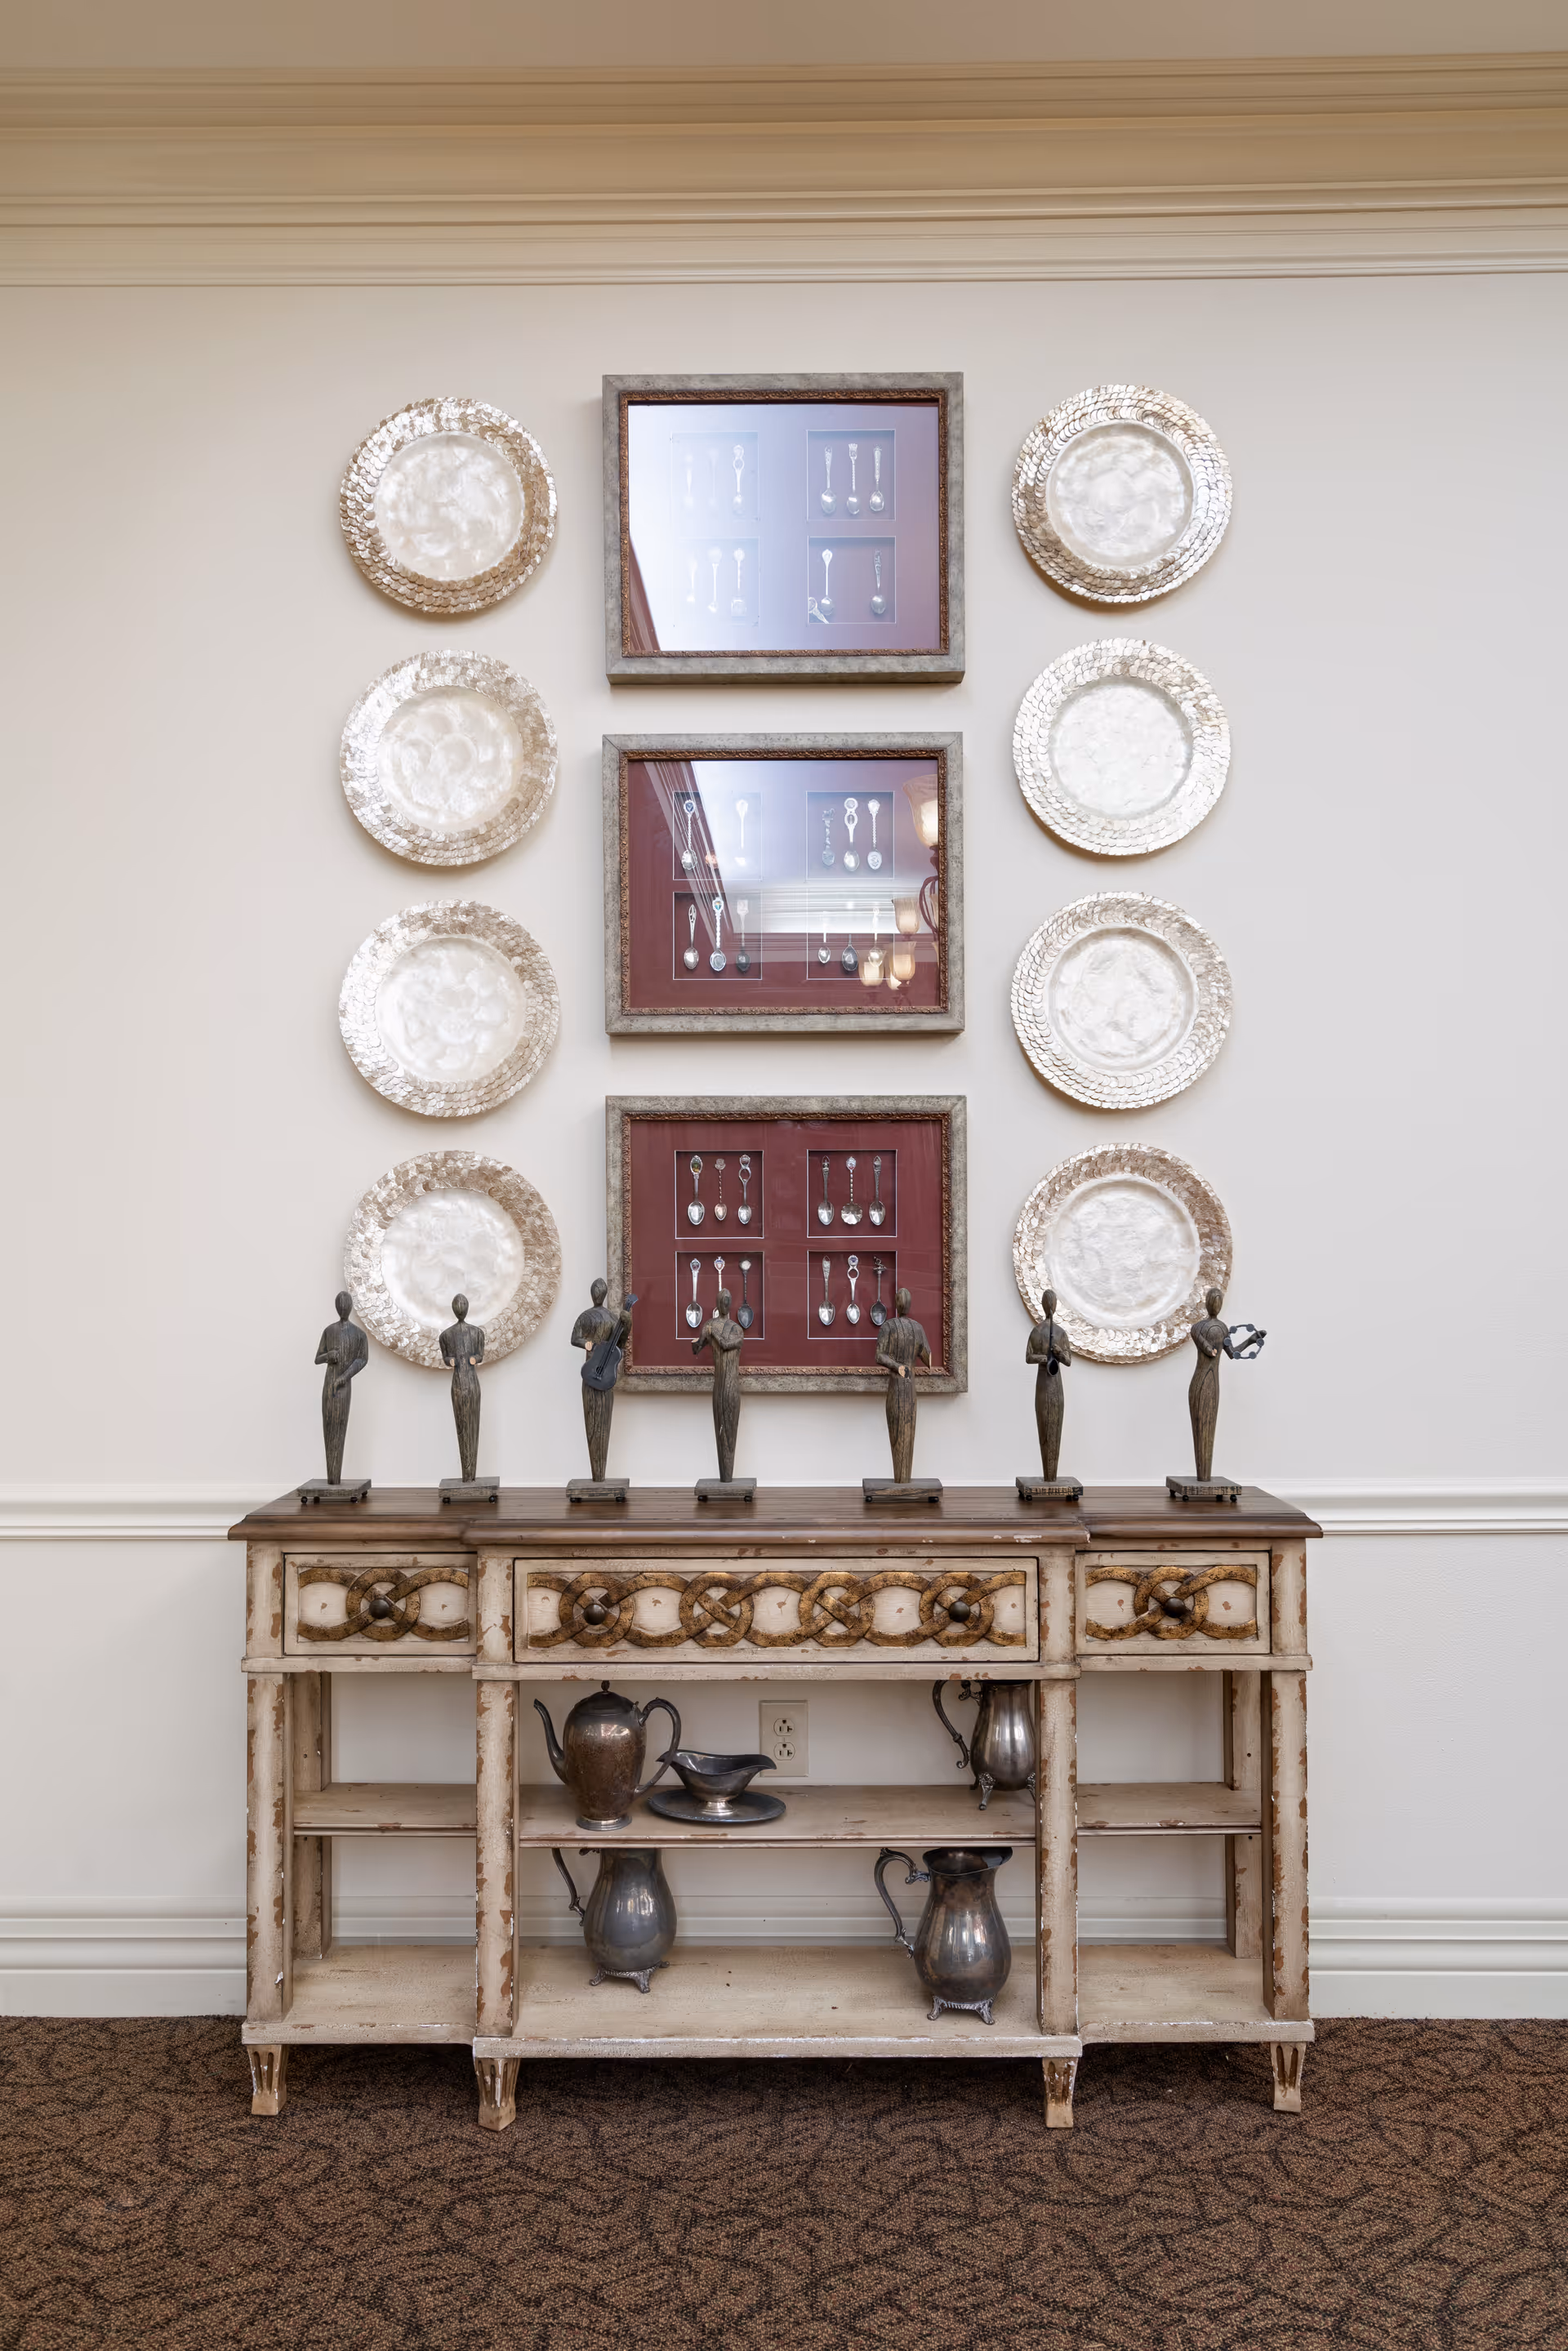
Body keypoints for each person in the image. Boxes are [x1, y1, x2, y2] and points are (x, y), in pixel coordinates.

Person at [1187, 1288, 1265, 1480]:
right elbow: (1206, 1347)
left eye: (1219, 1301)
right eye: (1214, 1300)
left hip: (1213, 1385)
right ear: (1207, 1303)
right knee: (1200, 1425)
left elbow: (1233, 1353)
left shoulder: (1222, 1328)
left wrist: (1251, 1340)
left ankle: (1205, 1478)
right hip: (1200, 1382)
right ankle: (1202, 1477)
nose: (1216, 1304)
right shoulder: (1198, 1328)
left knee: (1209, 1426)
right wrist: (1210, 1349)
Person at [572, 1279, 634, 1482]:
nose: (598, 1295)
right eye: (596, 1292)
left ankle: (600, 1476)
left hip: (603, 1375)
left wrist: (627, 1324)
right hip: (591, 1374)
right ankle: (597, 1476)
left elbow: (620, 1343)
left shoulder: (611, 1317)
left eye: (599, 1292)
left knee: (602, 1423)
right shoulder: (587, 1316)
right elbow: (575, 1339)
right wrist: (587, 1344)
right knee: (593, 1421)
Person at [875, 1286, 932, 1484]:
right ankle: (901, 1479)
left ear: (897, 1304)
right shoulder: (915, 1328)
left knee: (905, 1431)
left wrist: (898, 1365)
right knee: (900, 1431)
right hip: (904, 1384)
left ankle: (903, 1480)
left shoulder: (891, 1327)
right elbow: (928, 1359)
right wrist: (901, 1365)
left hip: (901, 1385)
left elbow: (880, 1355)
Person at [691, 1286, 745, 1482]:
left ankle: (728, 1478)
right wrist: (696, 1344)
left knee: (730, 1429)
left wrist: (713, 1333)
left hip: (731, 1386)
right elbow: (697, 1348)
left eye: (727, 1300)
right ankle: (724, 1478)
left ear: (730, 1303)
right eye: (722, 1300)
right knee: (720, 1427)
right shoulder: (709, 1326)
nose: (724, 1303)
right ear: (717, 1303)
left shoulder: (736, 1329)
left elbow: (727, 1344)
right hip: (719, 1385)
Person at [314, 1292, 368, 1485]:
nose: (343, 1307)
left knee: (340, 1425)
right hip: (329, 1383)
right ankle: (332, 1478)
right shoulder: (329, 1331)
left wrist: (345, 1376)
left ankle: (335, 1477)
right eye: (340, 1304)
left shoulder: (359, 1334)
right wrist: (328, 1355)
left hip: (343, 1386)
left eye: (345, 1304)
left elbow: (362, 1359)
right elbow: (317, 1358)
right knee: (328, 1424)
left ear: (350, 1307)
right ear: (337, 1307)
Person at [1026, 1288, 1071, 1481]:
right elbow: (1029, 1357)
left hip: (1053, 1385)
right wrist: (1046, 1357)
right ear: (1053, 1306)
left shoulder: (1059, 1332)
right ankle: (1048, 1475)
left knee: (1054, 1426)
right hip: (1045, 1384)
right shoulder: (1037, 1331)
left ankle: (1051, 1477)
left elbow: (1067, 1360)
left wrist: (1059, 1353)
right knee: (1045, 1426)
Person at [439, 1295, 484, 1484]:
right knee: (462, 1425)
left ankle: (470, 1474)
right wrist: (451, 1360)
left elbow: (480, 1355)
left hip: (472, 1383)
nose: (460, 1308)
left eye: (463, 1305)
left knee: (473, 1423)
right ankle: (467, 1475)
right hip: (458, 1383)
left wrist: (474, 1358)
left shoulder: (477, 1333)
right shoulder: (446, 1336)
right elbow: (446, 1357)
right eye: (458, 1305)